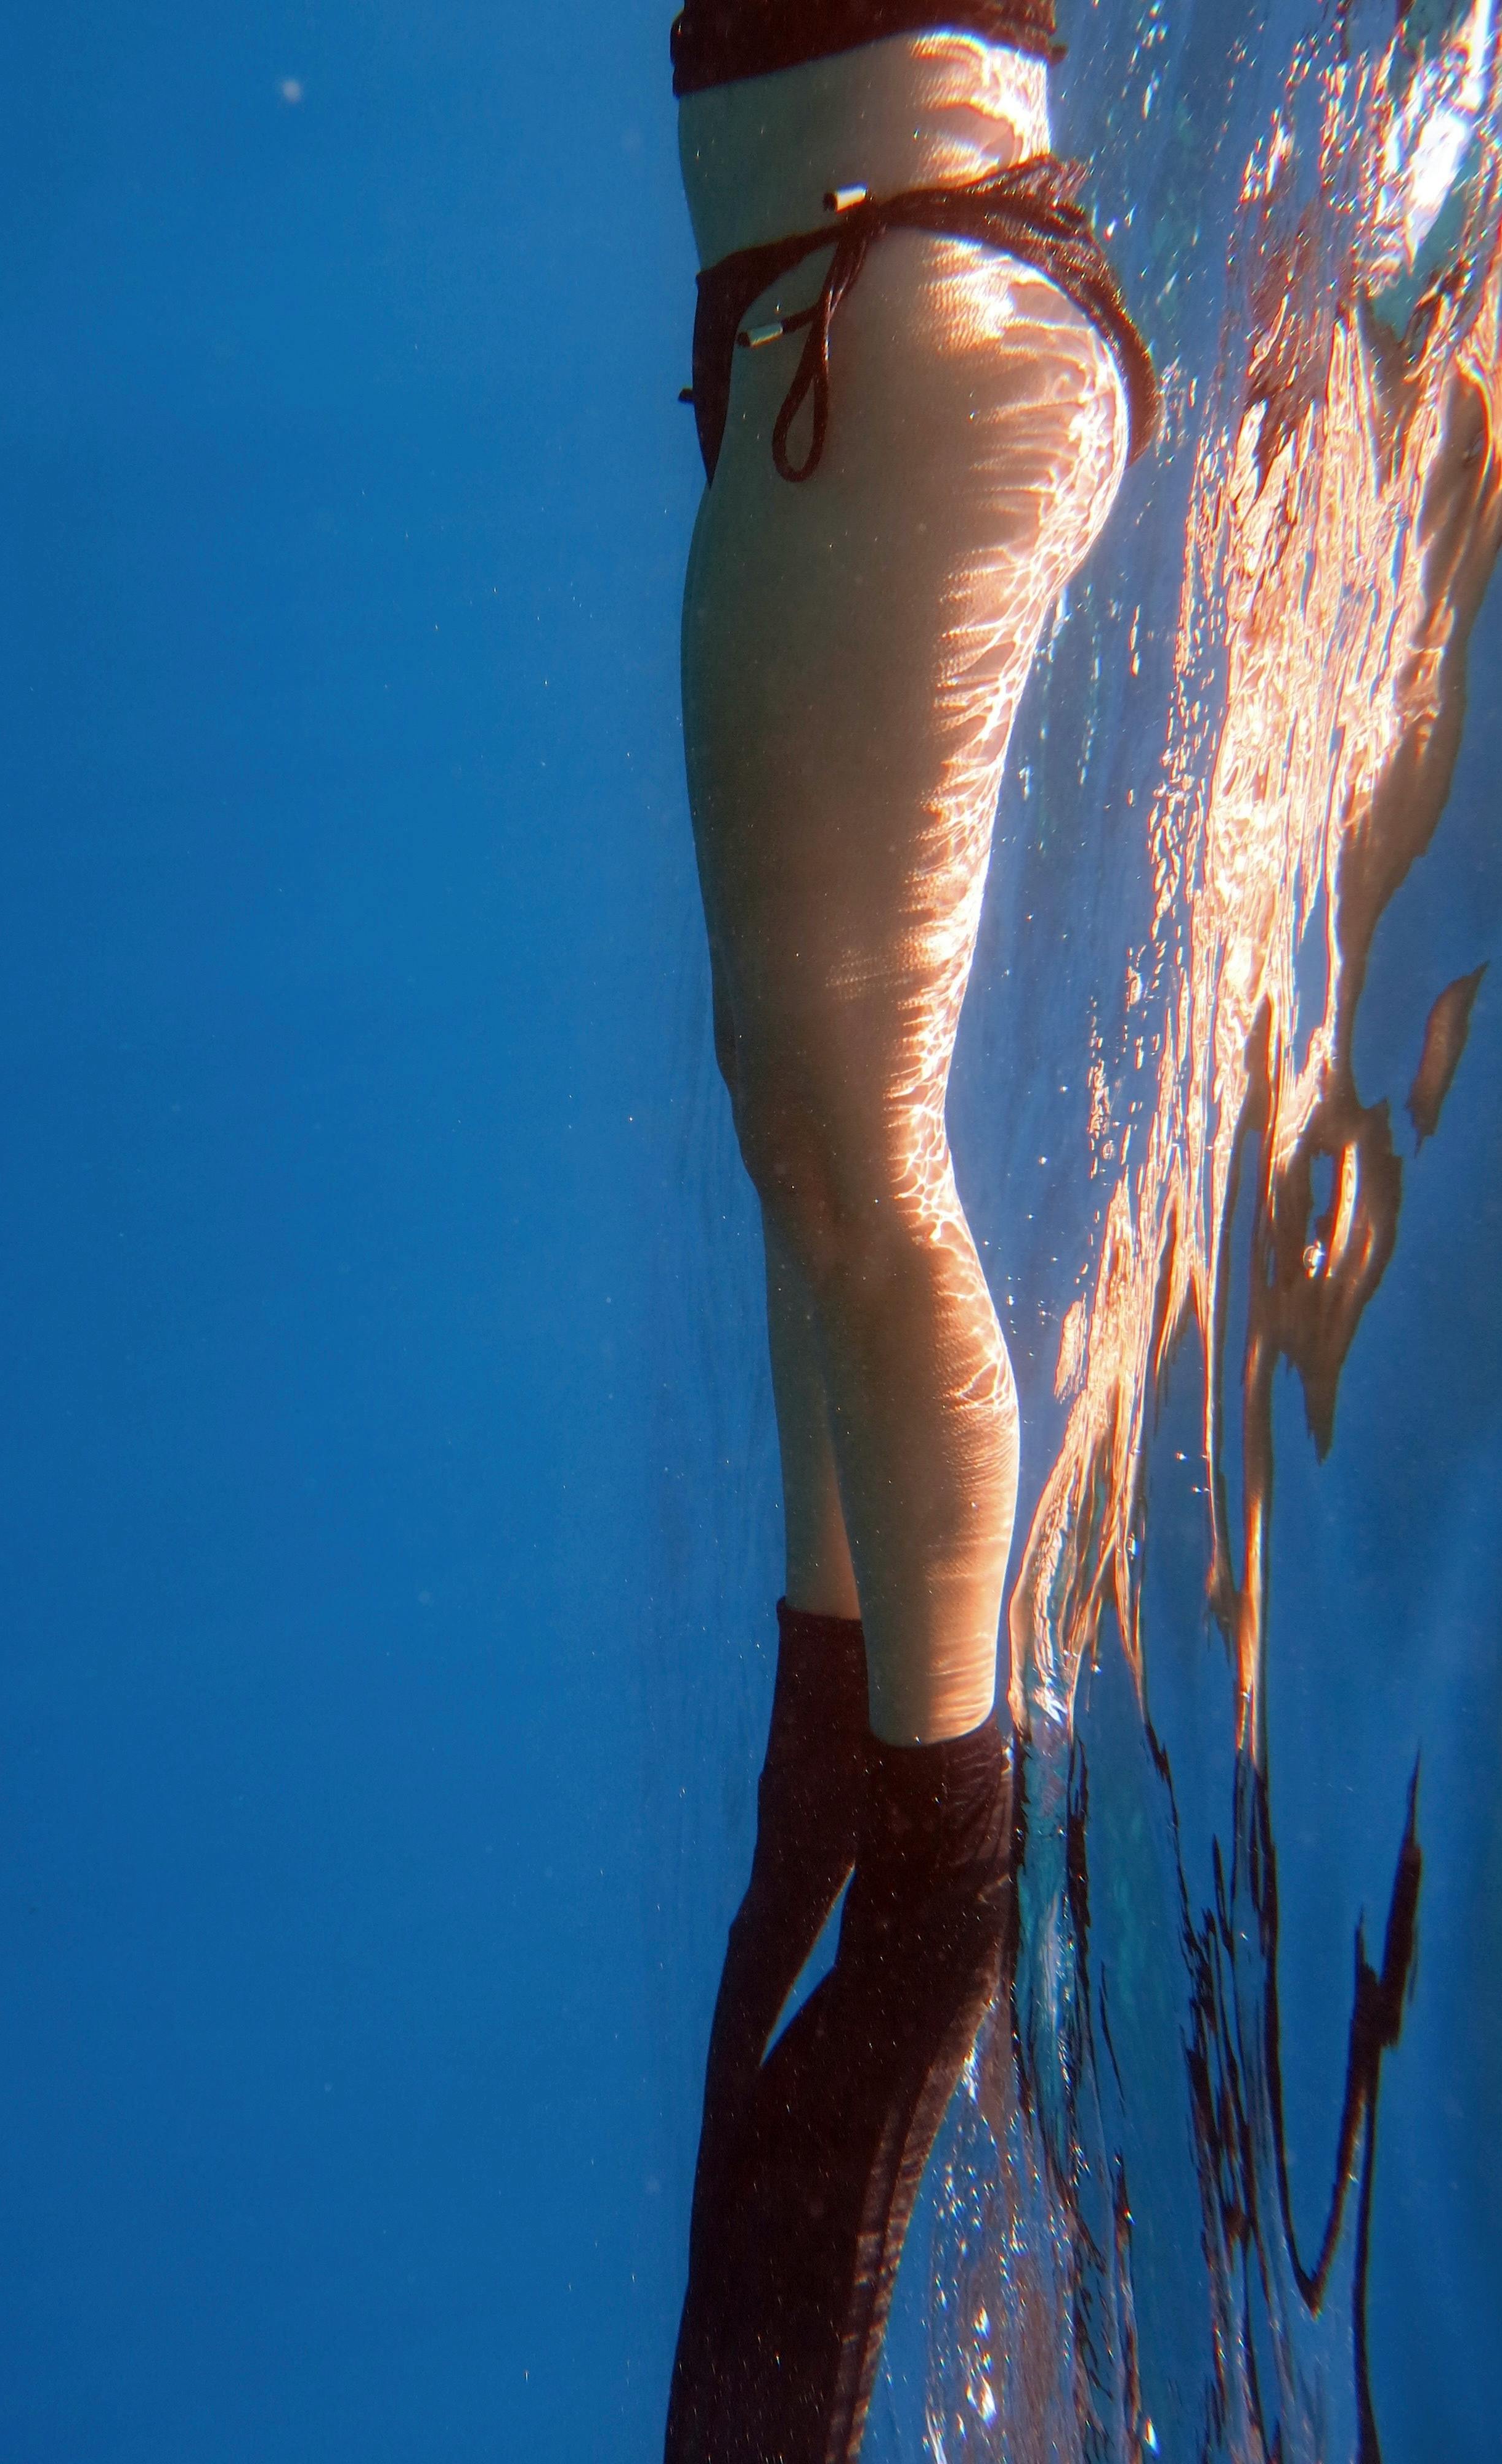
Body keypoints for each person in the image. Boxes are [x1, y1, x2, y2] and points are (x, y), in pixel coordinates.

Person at [662, 6, 1153, 2456]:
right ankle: (838, 1739)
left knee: (851, 1143)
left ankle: (939, 1856)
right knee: (809, 1136)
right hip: (857, 318)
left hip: (902, 313)